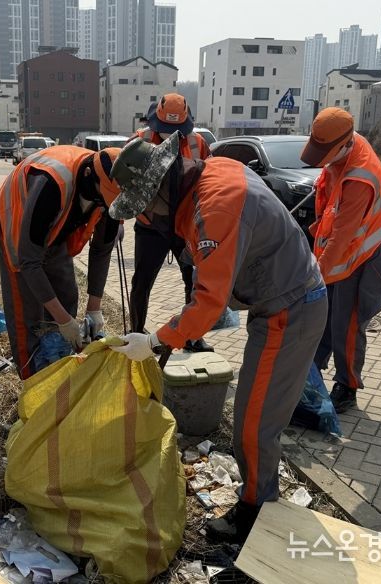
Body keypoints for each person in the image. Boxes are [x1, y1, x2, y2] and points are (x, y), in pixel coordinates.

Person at [108, 133, 328, 544]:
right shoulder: (211, 174)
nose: (148, 217)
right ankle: (259, 497)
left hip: (291, 308)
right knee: (255, 417)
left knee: (254, 424)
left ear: (163, 186)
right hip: (281, 300)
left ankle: (255, 513)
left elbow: (208, 304)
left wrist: (153, 341)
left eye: (148, 206)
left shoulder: (215, 208)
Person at [0, 146, 122, 379]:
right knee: (28, 311)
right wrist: (63, 320)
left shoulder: (113, 193)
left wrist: (94, 308)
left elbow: (102, 251)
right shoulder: (52, 185)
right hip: (17, 217)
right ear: (89, 177)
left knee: (66, 293)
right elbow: (29, 262)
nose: (107, 203)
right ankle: (33, 381)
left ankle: (61, 367)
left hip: (56, 226)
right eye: (106, 197)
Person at [301, 108, 381, 414]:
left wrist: (316, 275)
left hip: (363, 256)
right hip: (342, 251)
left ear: (344, 145)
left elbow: (342, 238)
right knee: (323, 316)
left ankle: (347, 386)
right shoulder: (344, 145)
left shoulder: (360, 179)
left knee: (348, 324)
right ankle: (310, 372)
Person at [128, 93, 213, 352]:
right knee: (142, 282)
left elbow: (209, 182)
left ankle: (192, 336)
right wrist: (117, 222)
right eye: (165, 127)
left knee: (194, 281)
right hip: (150, 226)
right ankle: (136, 332)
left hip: (184, 227)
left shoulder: (198, 143)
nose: (170, 134)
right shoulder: (139, 141)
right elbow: (122, 184)